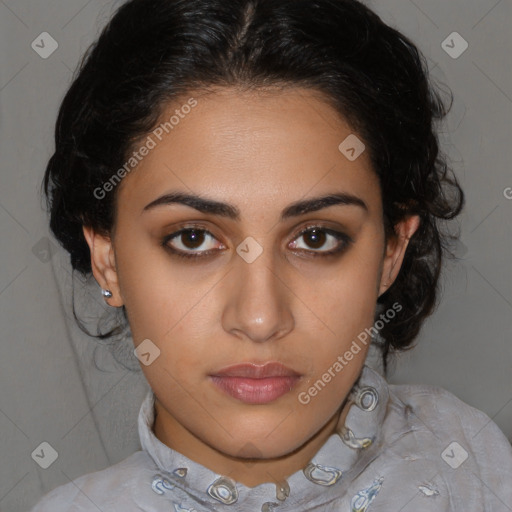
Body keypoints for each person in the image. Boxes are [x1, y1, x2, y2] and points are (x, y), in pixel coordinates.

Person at [30, 0, 512, 510]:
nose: (260, 319)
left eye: (316, 238)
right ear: (108, 259)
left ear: (391, 252)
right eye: (192, 238)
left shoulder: (472, 463)